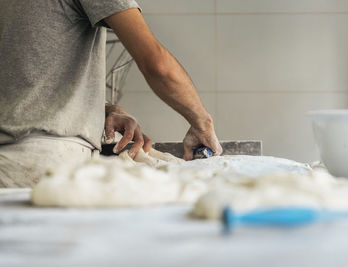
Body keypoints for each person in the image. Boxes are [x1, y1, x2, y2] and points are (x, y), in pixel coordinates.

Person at [0, 0, 223, 188]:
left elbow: (23, 71)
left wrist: (104, 110)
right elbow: (158, 66)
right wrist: (201, 123)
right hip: (43, 165)